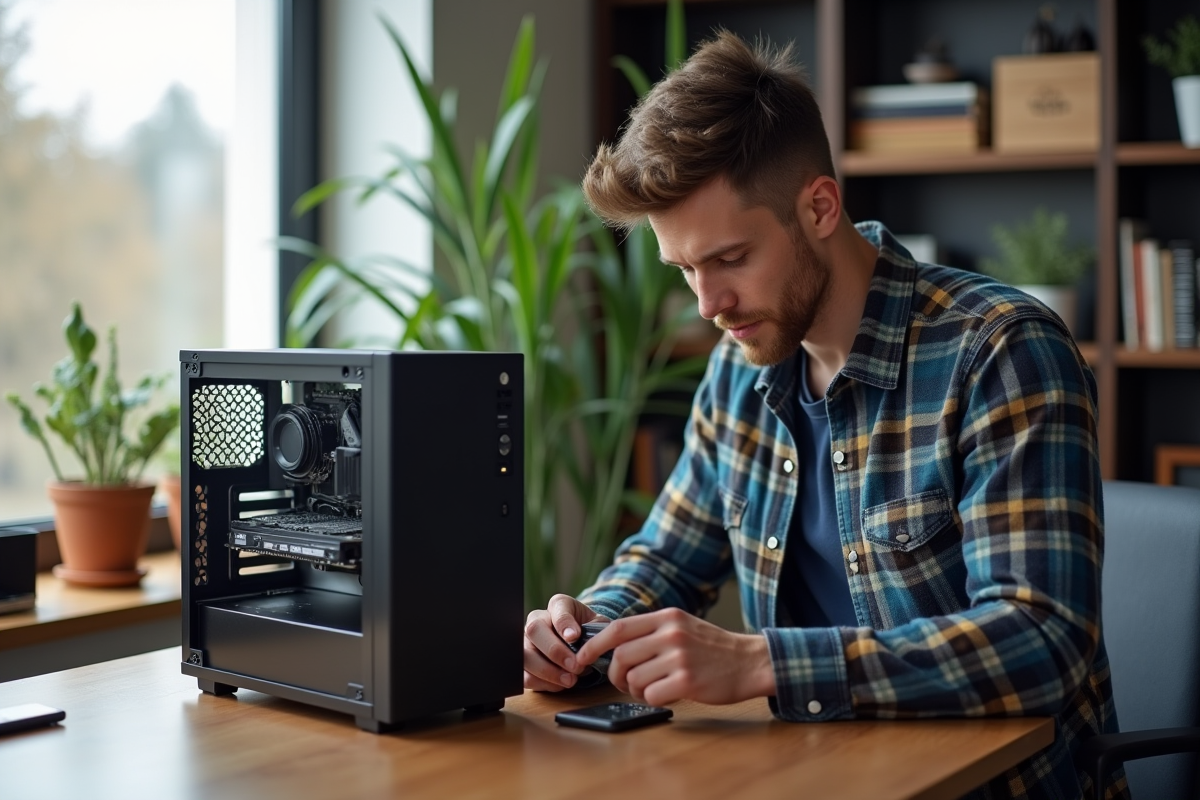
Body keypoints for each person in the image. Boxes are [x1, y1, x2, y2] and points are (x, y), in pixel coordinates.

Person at [522, 30, 1125, 800]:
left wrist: (763, 662)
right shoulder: (739, 369)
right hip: (813, 774)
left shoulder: (1000, 351)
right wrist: (582, 633)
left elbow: (1042, 641)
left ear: (818, 207)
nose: (708, 304)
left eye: (730, 258)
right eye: (685, 269)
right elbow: (667, 562)